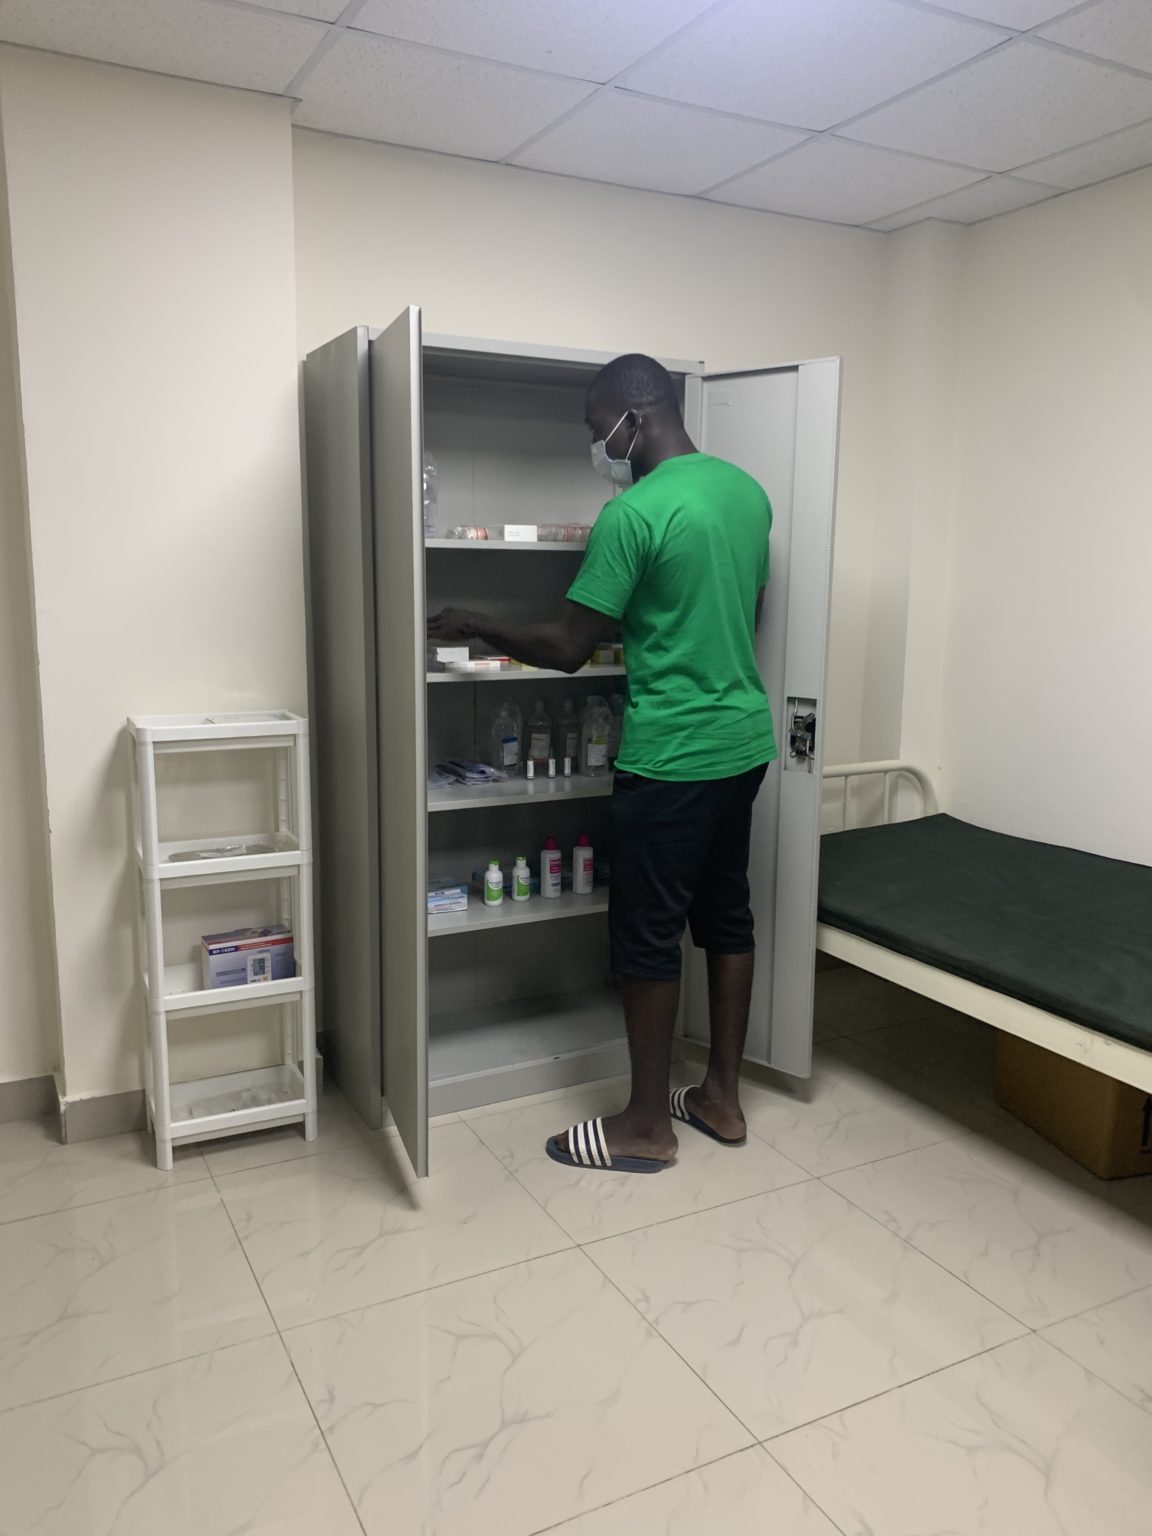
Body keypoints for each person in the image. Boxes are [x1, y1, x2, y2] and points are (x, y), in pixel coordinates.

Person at [427, 353, 775, 1174]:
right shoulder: (746, 492)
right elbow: (731, 610)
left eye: (597, 430)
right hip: (742, 743)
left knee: (645, 934)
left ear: (634, 419)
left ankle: (645, 1125)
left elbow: (566, 648)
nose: (598, 446)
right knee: (726, 916)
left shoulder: (634, 513)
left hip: (672, 756)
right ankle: (720, 1098)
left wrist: (477, 621)